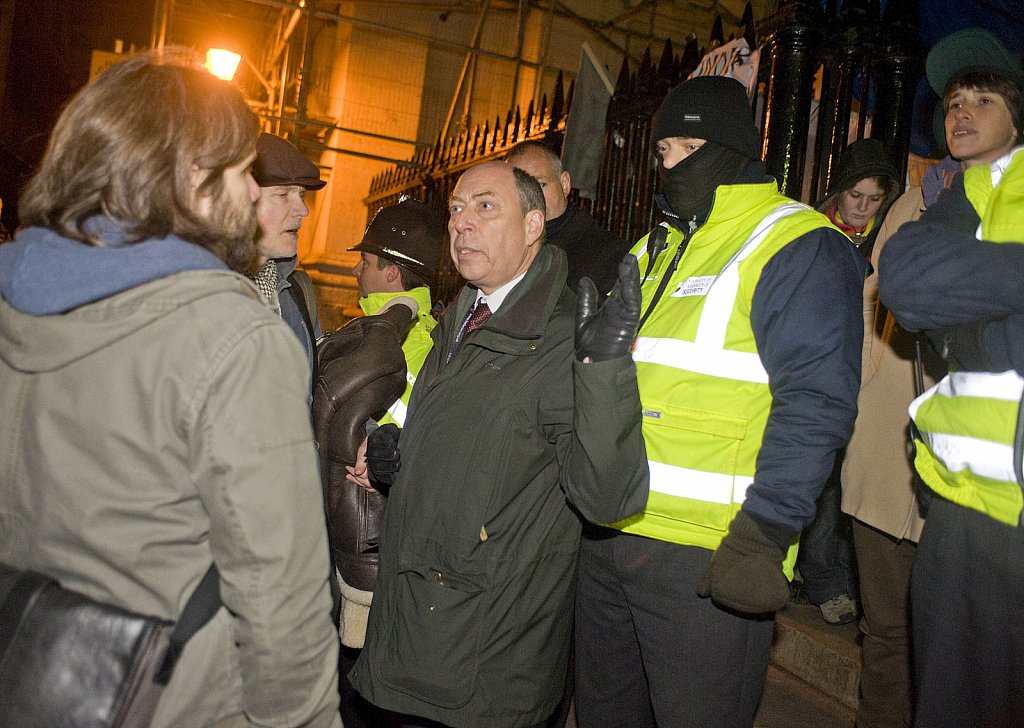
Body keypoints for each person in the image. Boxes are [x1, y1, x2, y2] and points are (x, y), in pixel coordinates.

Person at [0, 50, 340, 728]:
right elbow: (280, 603)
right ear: (190, 177)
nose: (252, 192)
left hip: (26, 669)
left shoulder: (14, 294)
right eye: (243, 170)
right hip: (168, 700)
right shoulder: (231, 338)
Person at [573, 75, 863, 728]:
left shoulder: (796, 244)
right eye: (662, 149)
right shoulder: (654, 247)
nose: (667, 163)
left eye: (681, 146)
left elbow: (816, 405)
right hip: (612, 538)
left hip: (708, 561)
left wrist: (763, 536)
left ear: (723, 148)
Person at [347, 160, 650, 728]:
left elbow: (608, 499)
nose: (462, 223)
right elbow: (478, 443)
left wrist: (605, 370)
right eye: (457, 209)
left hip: (482, 659)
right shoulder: (463, 320)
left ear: (535, 225)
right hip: (419, 628)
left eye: (486, 207)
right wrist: (399, 449)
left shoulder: (560, 340)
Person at [841, 29, 1022, 728]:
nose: (962, 111)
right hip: (896, 454)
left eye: (982, 98)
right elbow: (898, 293)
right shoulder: (915, 205)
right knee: (890, 633)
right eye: (952, 101)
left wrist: (966, 318)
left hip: (992, 496)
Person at [334, 196, 445, 728]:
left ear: (393, 273)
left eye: (368, 260)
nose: (357, 267)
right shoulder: (405, 331)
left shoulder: (405, 343)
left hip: (371, 553)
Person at [792, 138, 901, 628]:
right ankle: (820, 579)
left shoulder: (886, 240)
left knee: (844, 484)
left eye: (873, 199)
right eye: (854, 196)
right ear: (838, 191)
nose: (862, 208)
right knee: (819, 481)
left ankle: (834, 579)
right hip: (815, 369)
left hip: (863, 372)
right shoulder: (813, 228)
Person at [249, 131, 326, 387]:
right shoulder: (206, 293)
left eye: (301, 195)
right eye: (283, 195)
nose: (303, 210)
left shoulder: (298, 293)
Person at [507, 140, 628, 295]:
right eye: (519, 190)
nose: (531, 199)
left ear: (564, 184)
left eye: (541, 185)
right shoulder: (500, 252)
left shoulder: (610, 255)